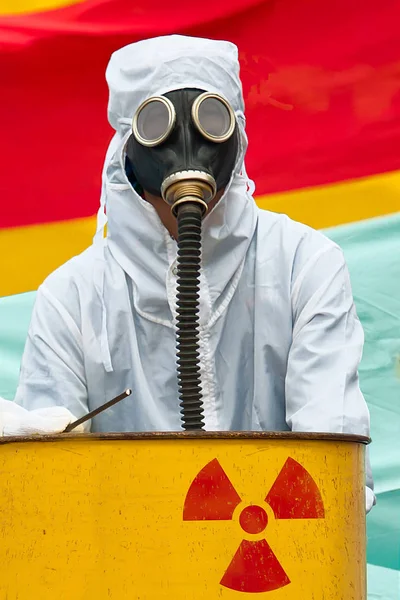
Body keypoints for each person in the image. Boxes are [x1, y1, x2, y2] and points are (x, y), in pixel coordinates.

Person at [12, 35, 374, 510]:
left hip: (275, 560)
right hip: (129, 566)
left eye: (211, 119)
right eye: (157, 123)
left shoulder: (303, 265)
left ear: (237, 135)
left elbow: (332, 462)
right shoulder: (73, 297)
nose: (187, 143)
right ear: (126, 146)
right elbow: (47, 486)